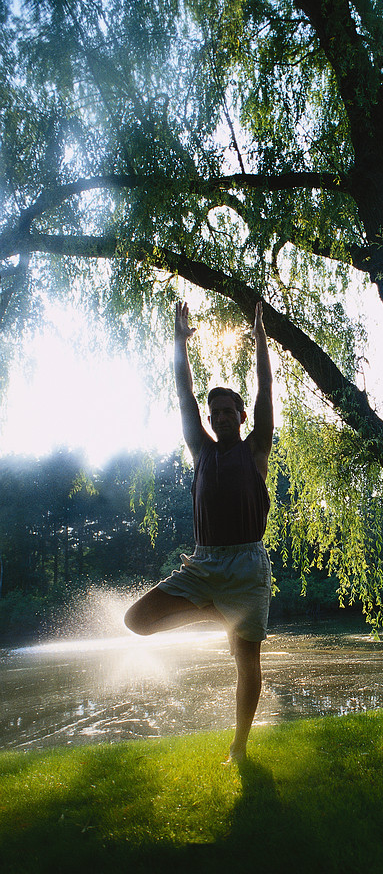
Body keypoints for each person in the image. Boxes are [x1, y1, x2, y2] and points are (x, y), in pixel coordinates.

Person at [124, 299, 274, 762]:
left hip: (248, 567)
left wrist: (261, 341)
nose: (222, 416)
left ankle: (240, 747)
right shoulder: (201, 452)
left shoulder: (256, 450)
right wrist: (179, 342)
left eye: (230, 411)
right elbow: (183, 392)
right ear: (208, 422)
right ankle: (214, 610)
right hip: (205, 564)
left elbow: (266, 386)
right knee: (137, 621)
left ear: (242, 418)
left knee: (247, 662)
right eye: (216, 413)